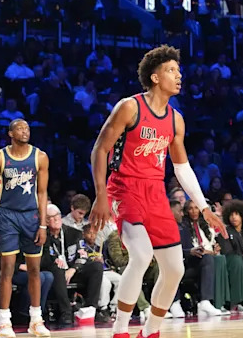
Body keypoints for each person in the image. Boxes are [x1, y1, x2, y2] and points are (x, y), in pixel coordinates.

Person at [89, 45, 226, 338]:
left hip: (155, 192)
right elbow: (99, 149)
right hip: (124, 188)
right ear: (154, 77)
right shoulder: (129, 107)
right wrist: (100, 195)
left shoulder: (176, 119)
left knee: (175, 268)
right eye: (171, 70)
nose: (179, 76)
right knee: (141, 255)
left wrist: (204, 207)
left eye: (179, 70)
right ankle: (120, 330)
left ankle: (150, 331)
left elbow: (182, 168)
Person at [0, 119, 50, 338]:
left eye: (27, 128)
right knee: (7, 269)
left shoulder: (40, 156)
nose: (25, 131)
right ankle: (4, 321)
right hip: (7, 215)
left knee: (34, 270)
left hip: (31, 216)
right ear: (10, 133)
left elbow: (42, 193)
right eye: (20, 128)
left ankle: (36, 319)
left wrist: (43, 224)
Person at [41, 203, 105, 324]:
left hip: (73, 270)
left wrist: (74, 268)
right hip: (55, 272)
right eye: (51, 218)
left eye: (57, 216)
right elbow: (42, 259)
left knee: (96, 266)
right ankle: (66, 312)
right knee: (57, 269)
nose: (55, 219)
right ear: (45, 221)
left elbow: (83, 255)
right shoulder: (43, 236)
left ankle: (91, 309)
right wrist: (53, 261)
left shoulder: (74, 233)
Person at [180, 200, 230, 317]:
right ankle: (205, 301)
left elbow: (210, 244)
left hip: (207, 259)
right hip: (190, 264)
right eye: (190, 208)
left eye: (196, 208)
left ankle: (220, 303)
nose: (194, 211)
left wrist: (215, 249)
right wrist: (209, 252)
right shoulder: (184, 227)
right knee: (208, 258)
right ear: (186, 211)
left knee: (220, 259)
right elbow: (193, 250)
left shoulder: (204, 225)